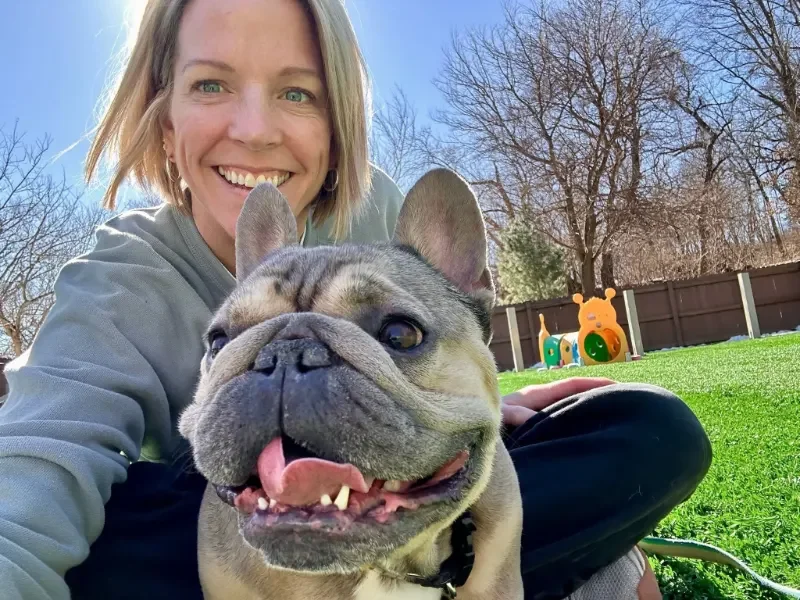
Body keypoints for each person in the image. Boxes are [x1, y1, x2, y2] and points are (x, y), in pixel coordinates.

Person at [0, 1, 711, 599]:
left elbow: (452, 346)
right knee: (110, 538)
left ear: (340, 124)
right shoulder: (118, 278)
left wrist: (472, 408)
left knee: (649, 429)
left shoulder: (383, 219)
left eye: (297, 92)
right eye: (211, 85)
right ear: (165, 121)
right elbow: (34, 478)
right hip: (234, 519)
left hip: (403, 475)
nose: (254, 128)